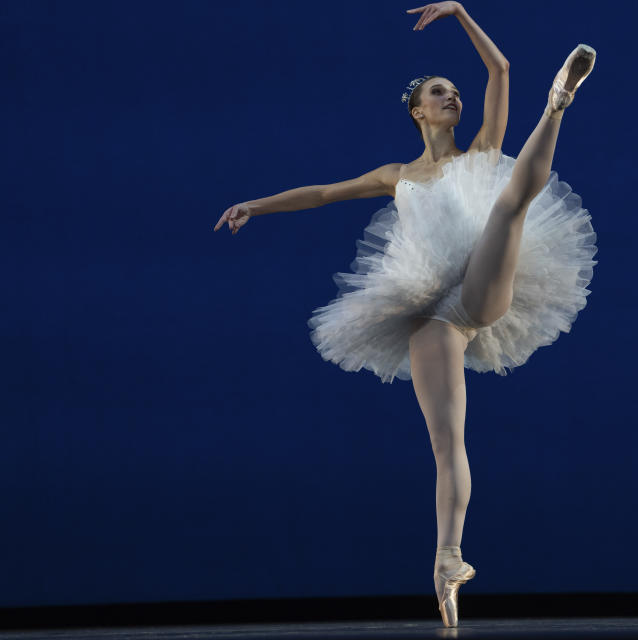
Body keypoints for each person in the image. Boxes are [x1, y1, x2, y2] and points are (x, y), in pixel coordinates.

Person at [213, 1, 596, 628]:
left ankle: (558, 103)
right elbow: (323, 192)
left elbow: (499, 70)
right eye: (439, 93)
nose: (454, 99)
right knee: (448, 445)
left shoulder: (480, 150)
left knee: (507, 205)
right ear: (417, 111)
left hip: (481, 291)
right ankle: (449, 559)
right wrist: (253, 205)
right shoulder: (397, 174)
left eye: (454, 92)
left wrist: (462, 12)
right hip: (430, 314)